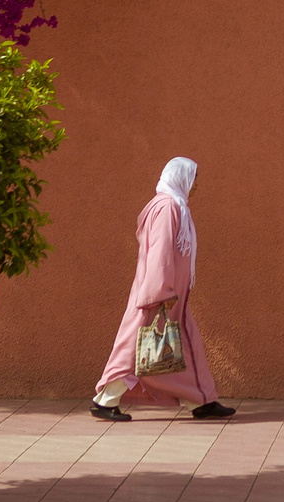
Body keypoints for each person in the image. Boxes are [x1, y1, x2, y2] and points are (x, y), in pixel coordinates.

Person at [90, 157, 234, 421]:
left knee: (185, 347)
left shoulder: (174, 206)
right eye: (193, 178)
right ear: (180, 177)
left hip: (170, 297)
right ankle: (105, 400)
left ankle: (201, 400)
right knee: (135, 348)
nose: (196, 185)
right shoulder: (168, 207)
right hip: (159, 296)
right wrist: (163, 291)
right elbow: (160, 250)